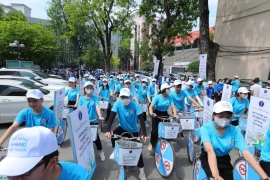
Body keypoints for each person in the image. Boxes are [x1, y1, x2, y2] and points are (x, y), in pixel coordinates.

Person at [200, 101, 269, 180]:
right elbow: (210, 151)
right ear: (213, 115)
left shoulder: (234, 131)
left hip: (224, 159)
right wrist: (215, 175)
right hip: (208, 158)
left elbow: (246, 153)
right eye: (221, 116)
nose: (224, 119)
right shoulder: (205, 128)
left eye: (227, 117)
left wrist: (265, 177)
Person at [0, 126, 90, 179]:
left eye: (25, 170)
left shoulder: (78, 177)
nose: (13, 178)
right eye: (11, 169)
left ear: (52, 162)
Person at [104, 88, 148, 180]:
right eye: (122, 97)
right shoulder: (117, 104)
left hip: (133, 130)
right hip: (122, 127)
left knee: (138, 151)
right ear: (120, 97)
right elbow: (111, 117)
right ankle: (115, 150)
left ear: (130, 97)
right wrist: (107, 130)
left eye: (126, 97)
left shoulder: (135, 105)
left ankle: (142, 172)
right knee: (113, 134)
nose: (124, 99)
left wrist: (144, 134)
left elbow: (141, 120)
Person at [78, 81, 105, 161]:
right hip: (84, 122)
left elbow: (97, 107)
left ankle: (100, 152)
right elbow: (79, 111)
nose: (89, 89)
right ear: (84, 89)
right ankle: (86, 154)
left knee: (96, 138)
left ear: (93, 89)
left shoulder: (95, 98)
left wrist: (100, 116)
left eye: (90, 88)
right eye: (87, 88)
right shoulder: (81, 99)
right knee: (84, 138)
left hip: (94, 121)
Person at [148, 83, 179, 151]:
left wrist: (175, 114)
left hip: (165, 114)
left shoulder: (170, 97)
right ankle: (152, 143)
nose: (169, 90)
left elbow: (173, 107)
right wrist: (151, 113)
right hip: (156, 114)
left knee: (167, 131)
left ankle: (166, 145)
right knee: (155, 132)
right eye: (168, 89)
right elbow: (151, 107)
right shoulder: (157, 97)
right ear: (163, 90)